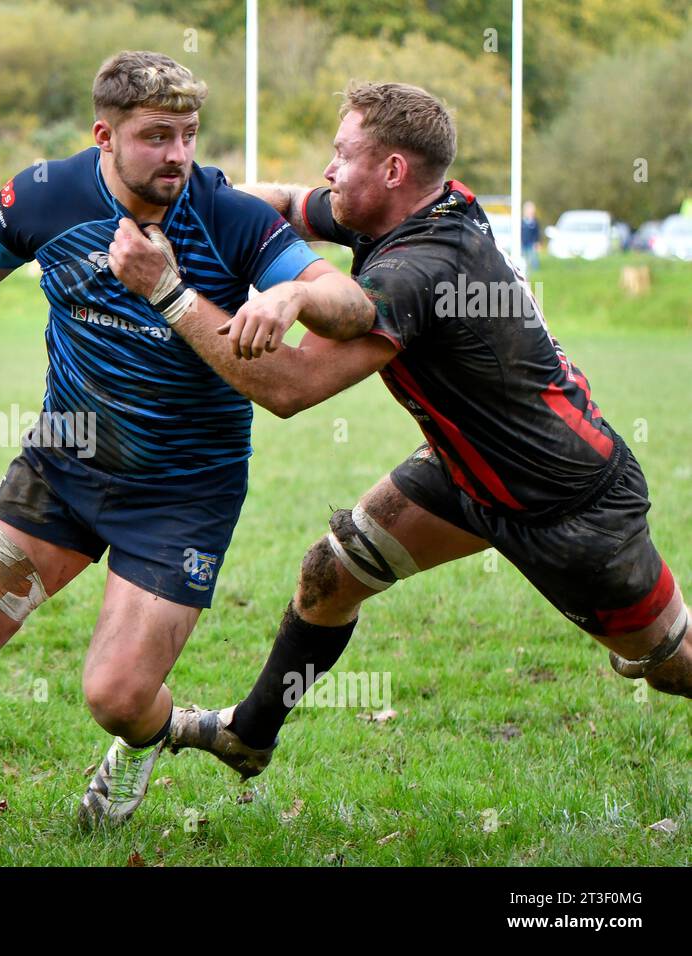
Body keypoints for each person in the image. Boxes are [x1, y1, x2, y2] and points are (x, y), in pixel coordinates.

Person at [0, 50, 372, 846]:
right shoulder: (47, 194)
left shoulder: (228, 215)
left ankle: (142, 741)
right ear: (104, 135)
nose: (178, 154)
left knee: (117, 696)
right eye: (156, 137)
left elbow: (349, 302)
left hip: (185, 491)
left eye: (188, 135)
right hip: (62, 463)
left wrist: (290, 289)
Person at [100, 81, 691, 783]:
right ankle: (249, 737)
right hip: (462, 469)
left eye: (341, 154)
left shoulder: (427, 267)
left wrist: (172, 290)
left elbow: (290, 386)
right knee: (330, 573)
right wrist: (182, 194)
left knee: (669, 667)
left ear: (392, 171)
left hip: (568, 508)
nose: (328, 169)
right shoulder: (396, 211)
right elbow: (287, 205)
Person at [521, 200, 541, 272]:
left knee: (533, 258)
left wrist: (537, 242)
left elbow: (537, 233)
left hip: (531, 244)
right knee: (523, 258)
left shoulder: (535, 222)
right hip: (523, 244)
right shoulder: (521, 222)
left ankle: (534, 270)